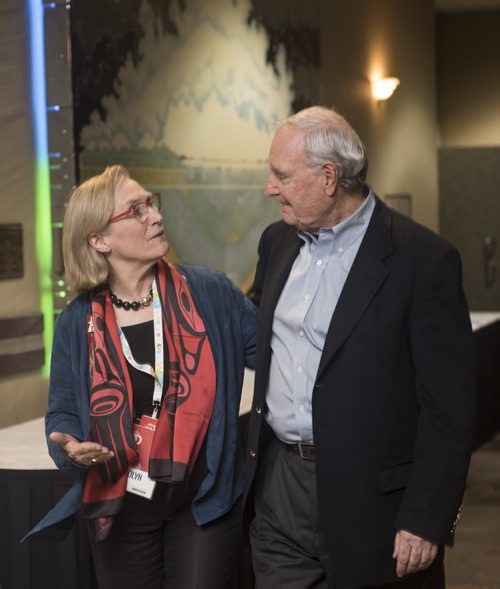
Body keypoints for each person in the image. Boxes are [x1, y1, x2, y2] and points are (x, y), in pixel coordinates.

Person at [245, 106, 476, 588]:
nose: (270, 188)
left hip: (374, 505)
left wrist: (429, 519)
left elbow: (448, 410)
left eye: (281, 175)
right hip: (279, 490)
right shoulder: (277, 244)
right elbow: (252, 339)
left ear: (329, 177)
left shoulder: (423, 261)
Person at [26, 165, 256, 588]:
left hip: (202, 500)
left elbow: (276, 356)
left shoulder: (210, 293)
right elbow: (61, 413)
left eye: (151, 203)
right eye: (136, 210)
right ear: (99, 239)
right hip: (120, 504)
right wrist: (70, 446)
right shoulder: (77, 321)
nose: (154, 215)